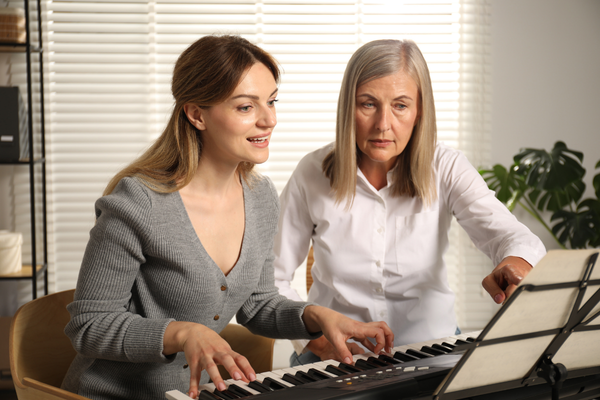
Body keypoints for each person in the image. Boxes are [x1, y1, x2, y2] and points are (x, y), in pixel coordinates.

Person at [60, 35, 394, 400]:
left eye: (271, 101)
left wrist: (316, 317)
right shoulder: (139, 203)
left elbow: (257, 304)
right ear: (196, 114)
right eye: (246, 107)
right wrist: (182, 333)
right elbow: (88, 324)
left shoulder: (261, 197)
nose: (269, 120)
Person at [273, 39, 547, 366]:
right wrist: (315, 340)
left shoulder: (446, 166)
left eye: (400, 105)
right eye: (368, 104)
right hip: (337, 361)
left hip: (431, 354)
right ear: (348, 107)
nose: (383, 125)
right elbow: (270, 278)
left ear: (419, 111)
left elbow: (512, 237)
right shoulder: (311, 173)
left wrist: (515, 262)